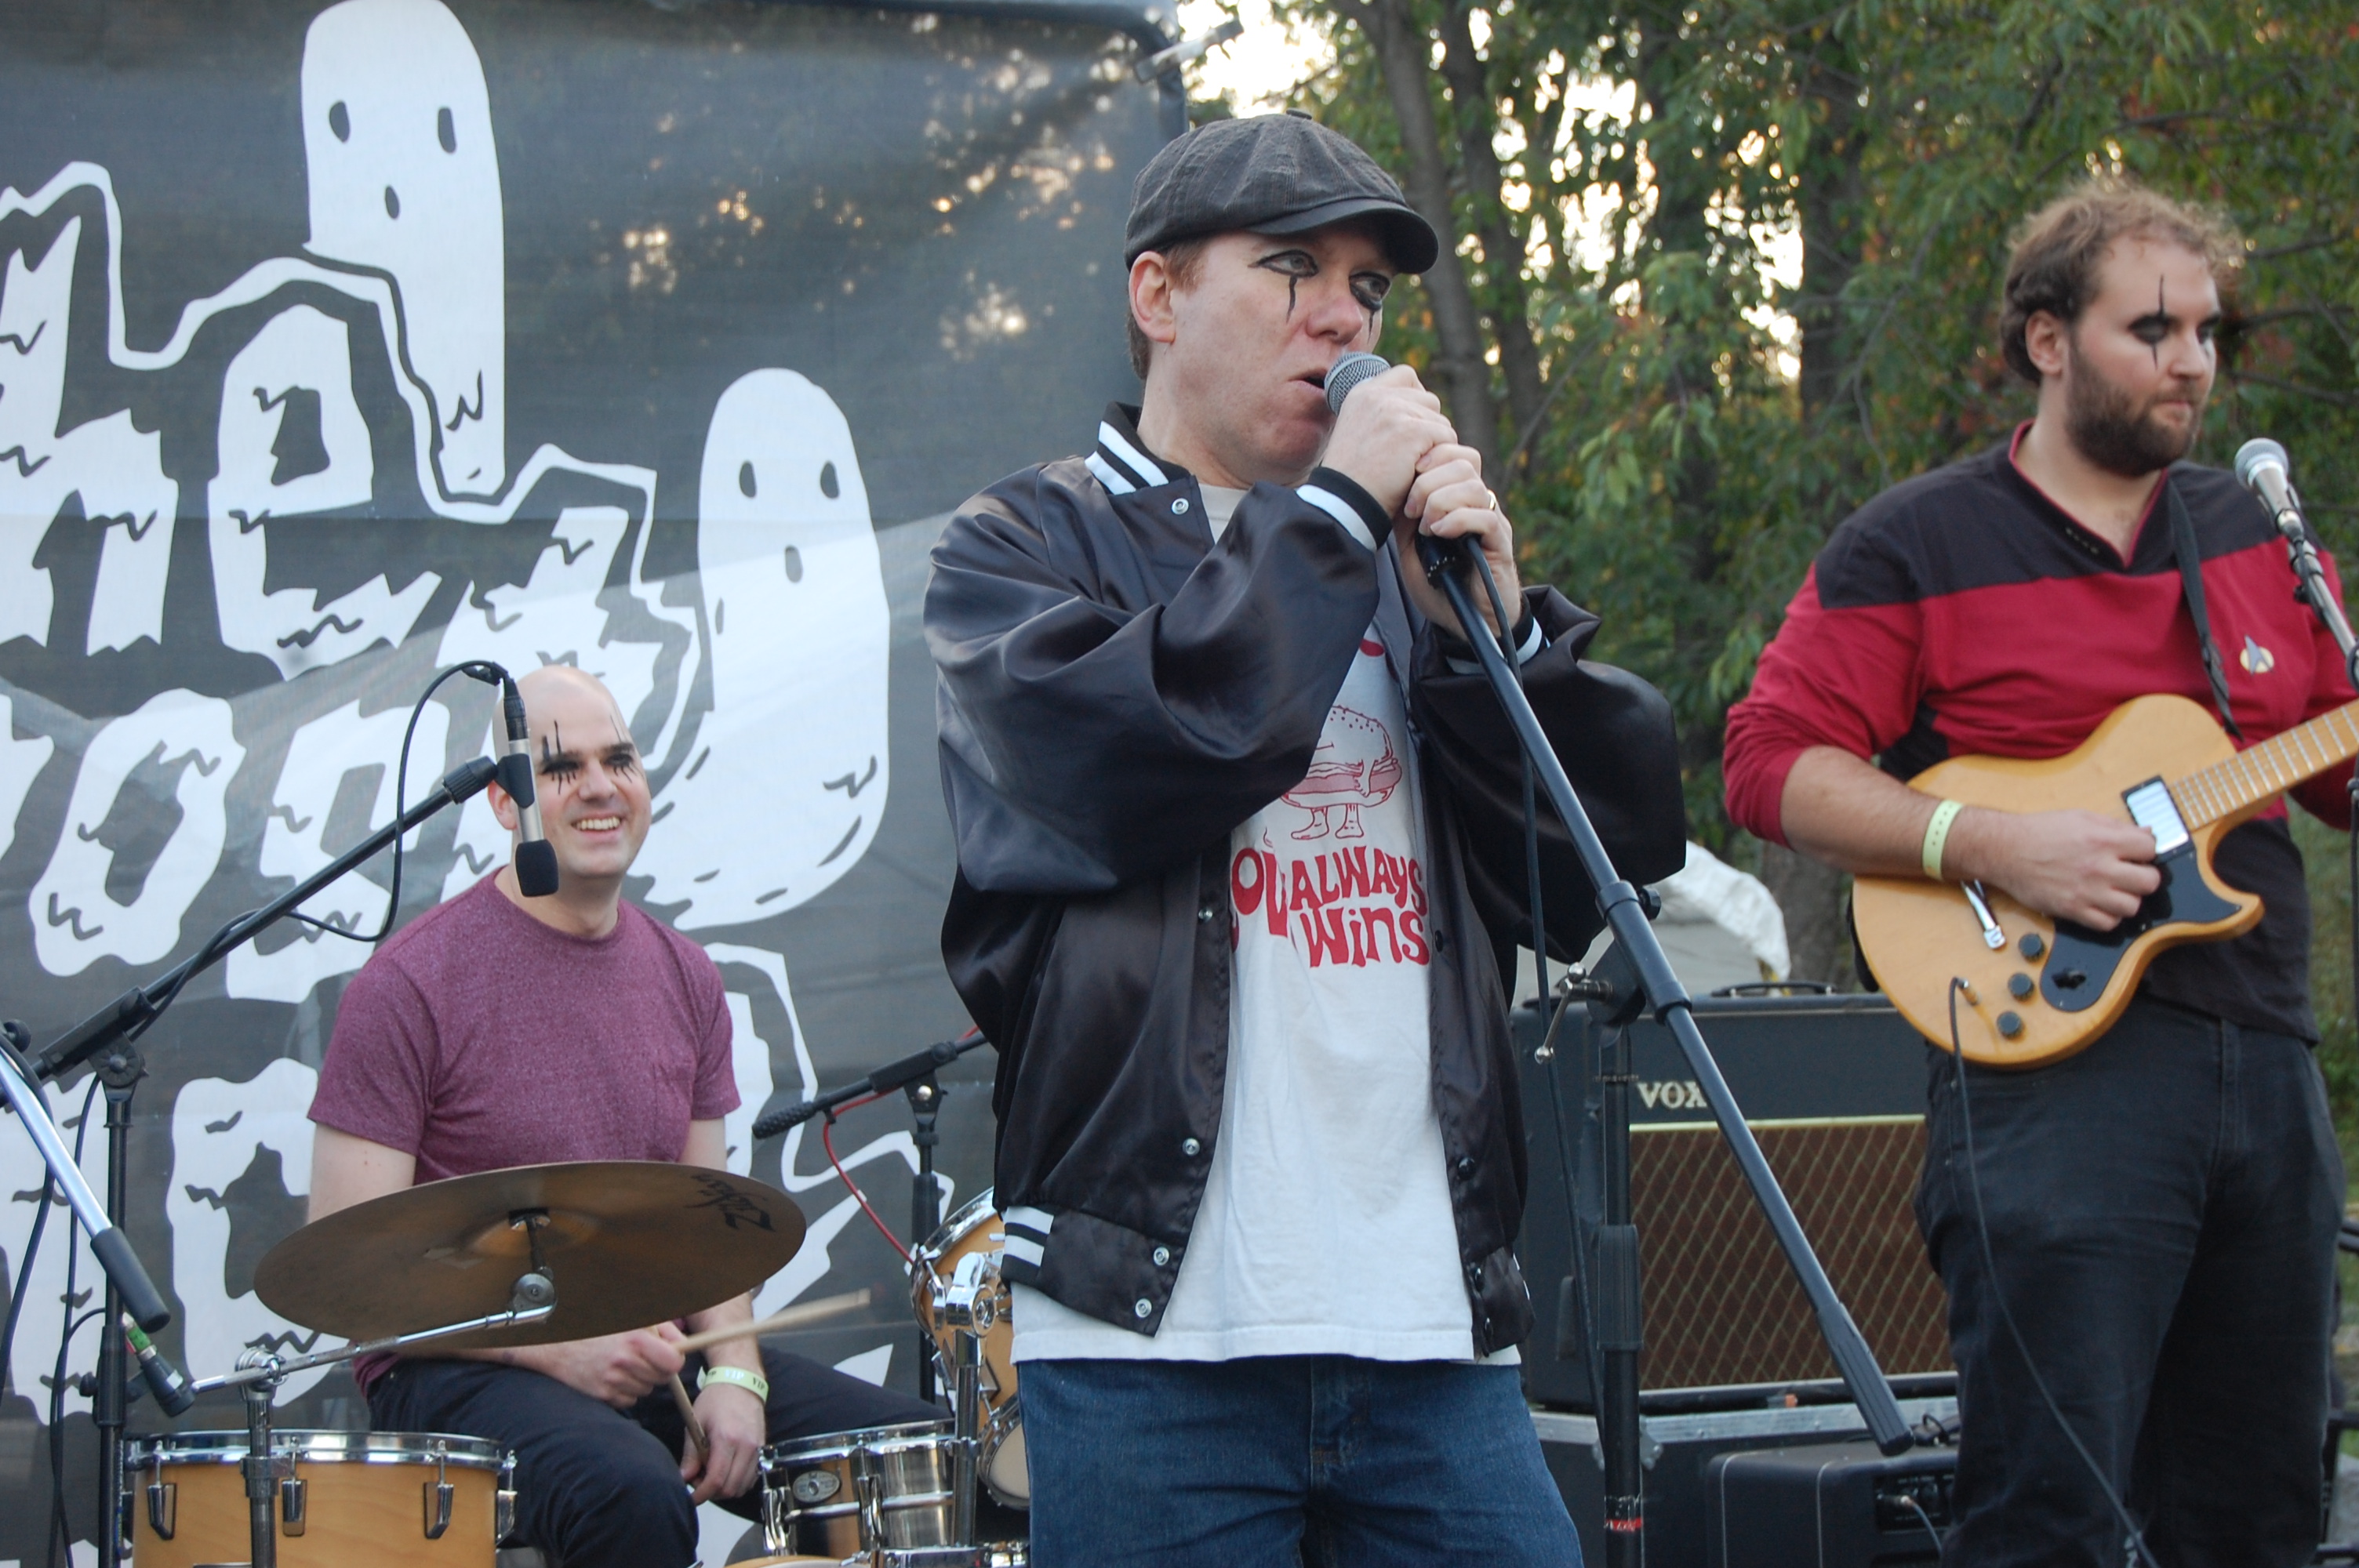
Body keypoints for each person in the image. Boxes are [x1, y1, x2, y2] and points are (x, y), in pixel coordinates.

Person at [924, 111, 1687, 1566]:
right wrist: (1334, 516)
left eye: (1367, 288)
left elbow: (1587, 874)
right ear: (1158, 296)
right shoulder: (1022, 547)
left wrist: (1493, 636)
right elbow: (1135, 761)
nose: (1341, 317)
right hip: (1154, 1343)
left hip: (1429, 1329)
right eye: (1291, 269)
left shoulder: (1405, 568)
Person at [1723, 180, 2349, 1564]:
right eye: (2152, 330)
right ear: (2047, 340)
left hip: (2264, 1056)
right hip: (2049, 1076)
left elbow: (2333, 767)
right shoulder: (1915, 542)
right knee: (2049, 1516)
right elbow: (1768, 762)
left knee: (2263, 1514)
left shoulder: (2259, 538)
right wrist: (2000, 843)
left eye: (2206, 330)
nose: (2192, 362)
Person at [305, 663, 936, 1568]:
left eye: (619, 759)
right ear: (503, 801)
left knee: (920, 1461)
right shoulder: (408, 984)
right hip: (458, 1364)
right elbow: (356, 1278)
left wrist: (736, 1374)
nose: (600, 786)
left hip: (648, 1348)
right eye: (562, 767)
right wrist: (551, 1350)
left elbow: (708, 1224)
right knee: (627, 1490)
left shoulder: (685, 975)